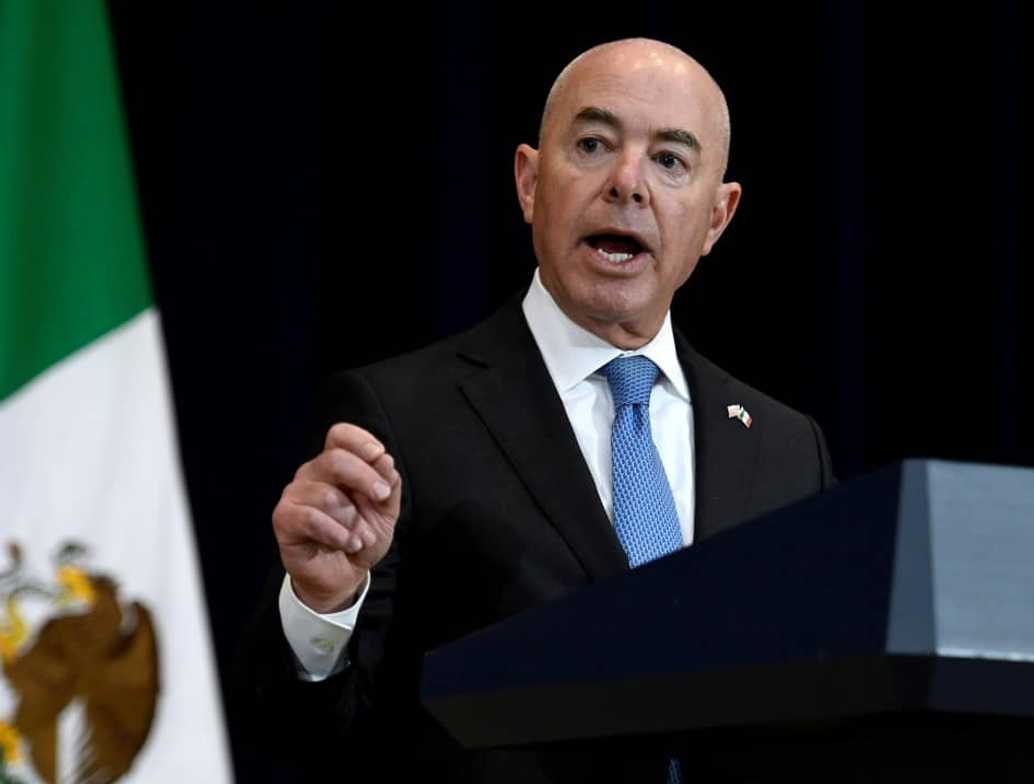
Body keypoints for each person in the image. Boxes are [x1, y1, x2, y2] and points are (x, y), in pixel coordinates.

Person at [248, 38, 834, 783]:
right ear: (529, 182)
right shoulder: (402, 415)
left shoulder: (785, 450)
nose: (627, 183)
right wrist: (322, 604)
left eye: (670, 161)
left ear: (717, 218)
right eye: (593, 144)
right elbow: (303, 734)